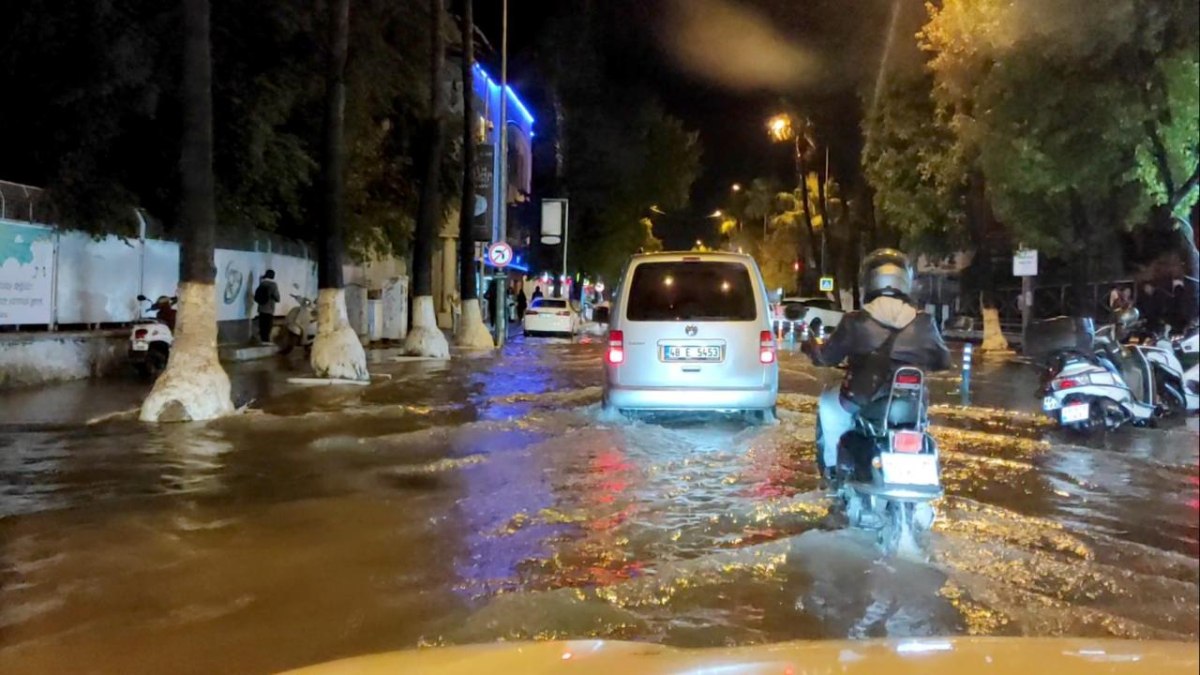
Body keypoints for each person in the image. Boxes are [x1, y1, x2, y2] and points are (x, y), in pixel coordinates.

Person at [803, 249, 952, 483]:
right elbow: (944, 361)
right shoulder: (925, 322)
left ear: (870, 280)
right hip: (912, 407)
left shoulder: (856, 320)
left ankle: (832, 472)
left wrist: (811, 348)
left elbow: (826, 357)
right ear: (905, 280)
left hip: (863, 398)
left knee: (828, 404)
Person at [253, 269, 280, 344]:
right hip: (269, 309)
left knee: (262, 324)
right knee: (268, 325)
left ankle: (262, 339)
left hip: (261, 308)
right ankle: (266, 340)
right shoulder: (273, 285)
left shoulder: (262, 283)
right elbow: (277, 298)